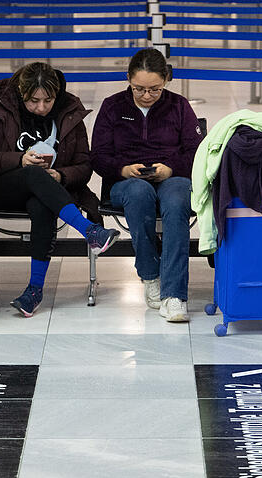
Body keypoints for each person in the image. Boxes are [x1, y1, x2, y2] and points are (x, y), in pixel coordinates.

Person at [0, 62, 119, 317]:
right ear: (21, 92)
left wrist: (60, 175)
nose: (41, 107)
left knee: (42, 201)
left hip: (51, 193)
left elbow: (85, 165)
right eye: (33, 101)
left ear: (57, 94)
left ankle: (34, 291)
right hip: (4, 188)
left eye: (47, 100)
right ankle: (90, 231)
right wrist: (19, 159)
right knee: (32, 172)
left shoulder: (70, 110)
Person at [90, 48, 204, 322]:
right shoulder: (112, 106)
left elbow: (197, 152)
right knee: (139, 193)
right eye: (139, 89)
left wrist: (171, 168)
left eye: (154, 89)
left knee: (177, 201)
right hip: (125, 183)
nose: (146, 95)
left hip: (171, 178)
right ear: (128, 79)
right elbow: (98, 156)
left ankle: (174, 295)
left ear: (166, 81)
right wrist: (124, 169)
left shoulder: (179, 106)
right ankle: (150, 274)